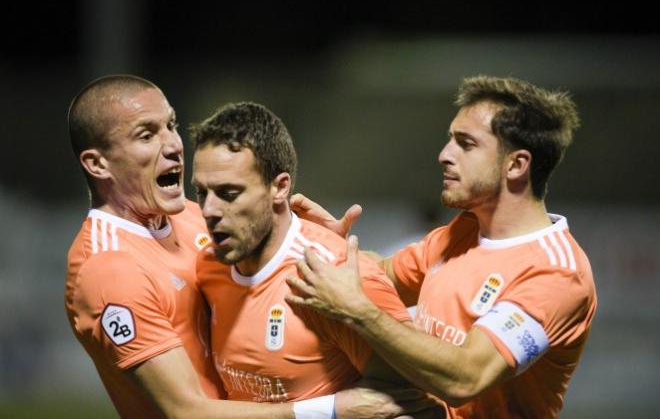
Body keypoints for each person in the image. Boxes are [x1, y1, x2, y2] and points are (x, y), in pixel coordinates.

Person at [65, 75, 435, 419]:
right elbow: (186, 412)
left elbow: (266, 254)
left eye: (172, 126)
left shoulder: (192, 217)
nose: (174, 145)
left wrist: (310, 241)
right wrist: (330, 410)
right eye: (147, 135)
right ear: (98, 164)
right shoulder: (111, 269)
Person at [286, 76, 598, 418]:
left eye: (465, 144)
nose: (444, 155)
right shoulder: (464, 231)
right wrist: (332, 246)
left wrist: (358, 311)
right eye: (450, 140)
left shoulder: (556, 272)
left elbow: (466, 378)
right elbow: (383, 274)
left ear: (516, 165)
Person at [190, 102, 440, 416]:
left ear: (279, 187)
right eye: (201, 193)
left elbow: (417, 406)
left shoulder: (335, 279)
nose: (209, 210)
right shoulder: (209, 266)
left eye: (228, 193)